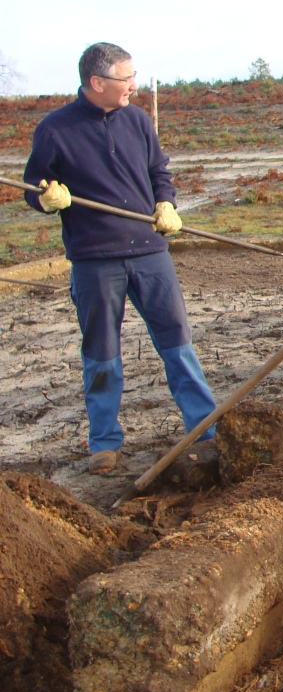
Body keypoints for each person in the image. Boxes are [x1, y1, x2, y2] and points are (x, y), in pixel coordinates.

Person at [23, 42, 217, 474]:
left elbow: (158, 172)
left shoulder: (137, 120)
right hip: (95, 259)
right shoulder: (56, 129)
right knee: (102, 353)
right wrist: (48, 199)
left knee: (177, 343)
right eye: (125, 78)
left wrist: (166, 204)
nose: (133, 85)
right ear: (97, 82)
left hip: (150, 253)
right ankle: (105, 442)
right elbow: (32, 186)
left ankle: (205, 429)